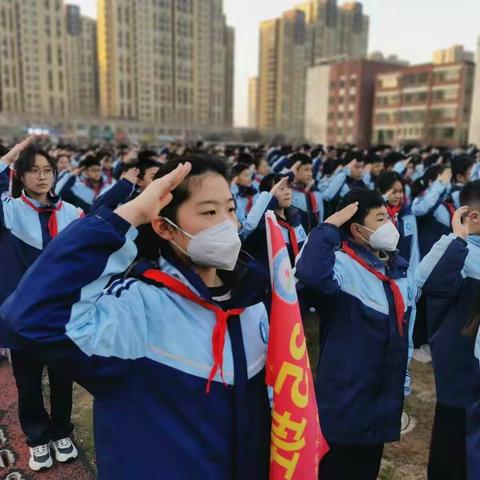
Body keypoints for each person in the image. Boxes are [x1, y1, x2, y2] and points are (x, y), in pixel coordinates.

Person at [0, 155, 272, 480]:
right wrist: (130, 215)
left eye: (230, 209)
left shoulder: (254, 302)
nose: (228, 224)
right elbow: (29, 318)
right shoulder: (137, 309)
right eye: (209, 212)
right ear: (163, 227)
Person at [295, 188, 413, 480]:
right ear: (357, 230)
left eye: (388, 217)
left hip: (379, 400)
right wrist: (328, 228)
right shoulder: (342, 267)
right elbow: (309, 274)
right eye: (380, 218)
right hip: (345, 400)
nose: (390, 225)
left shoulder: (395, 269)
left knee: (366, 469)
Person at [0, 139, 82, 472]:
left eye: (48, 170)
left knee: (63, 378)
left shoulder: (72, 213)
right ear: (19, 175)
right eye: (33, 170)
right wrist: (5, 158)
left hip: (61, 315)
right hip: (24, 317)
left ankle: (62, 431)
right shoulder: (10, 210)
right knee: (29, 382)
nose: (42, 177)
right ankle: (36, 438)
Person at [416, 181, 480, 480]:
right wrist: (457, 239)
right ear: (474, 216)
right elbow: (429, 284)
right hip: (461, 376)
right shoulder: (457, 253)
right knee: (454, 453)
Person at [243, 173, 306, 270]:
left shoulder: (297, 217)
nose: (287, 192)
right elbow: (249, 227)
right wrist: (269, 197)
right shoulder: (263, 224)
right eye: (281, 189)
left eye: (288, 187)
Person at [289, 153, 324, 233]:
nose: (310, 174)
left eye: (311, 170)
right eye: (306, 170)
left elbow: (320, 222)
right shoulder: (288, 194)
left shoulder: (316, 193)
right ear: (294, 171)